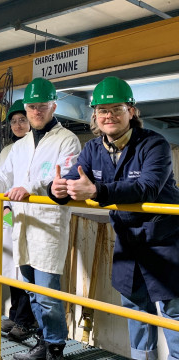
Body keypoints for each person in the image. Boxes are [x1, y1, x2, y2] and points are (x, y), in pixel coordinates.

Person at [49, 76, 179, 360]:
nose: (109, 116)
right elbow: (73, 180)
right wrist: (56, 190)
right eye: (103, 111)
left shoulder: (154, 144)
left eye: (117, 109)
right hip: (128, 242)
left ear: (131, 111)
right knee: (135, 309)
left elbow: (147, 188)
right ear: (95, 115)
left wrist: (96, 190)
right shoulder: (94, 149)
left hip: (164, 241)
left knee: (173, 312)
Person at [0, 78, 81, 360]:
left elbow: (63, 176)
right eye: (32, 107)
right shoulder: (20, 146)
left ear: (53, 106)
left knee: (46, 293)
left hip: (47, 228)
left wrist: (29, 187)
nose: (36, 112)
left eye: (42, 107)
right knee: (31, 290)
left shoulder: (67, 140)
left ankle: (54, 347)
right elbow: (3, 176)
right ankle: (44, 341)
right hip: (21, 225)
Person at [0, 100, 36, 342]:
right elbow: (0, 181)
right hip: (10, 213)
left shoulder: (35, 148)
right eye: (14, 121)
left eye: (22, 120)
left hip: (30, 215)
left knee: (26, 269)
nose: (18, 124)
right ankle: (15, 314)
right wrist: (5, 210)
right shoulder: (6, 151)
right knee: (12, 268)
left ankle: (25, 319)